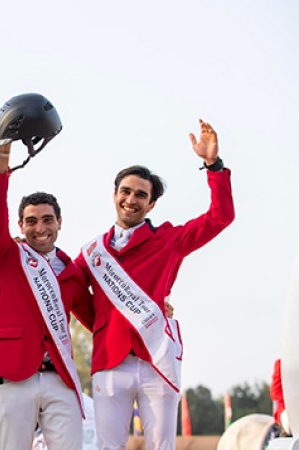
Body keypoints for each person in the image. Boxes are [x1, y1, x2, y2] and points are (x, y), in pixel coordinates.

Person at [75, 119, 235, 450]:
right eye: (126, 191)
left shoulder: (168, 240)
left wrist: (213, 165)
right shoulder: (93, 252)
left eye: (141, 195)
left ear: (151, 204)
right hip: (109, 362)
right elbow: (72, 293)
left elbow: (220, 217)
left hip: (157, 361)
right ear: (115, 195)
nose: (131, 200)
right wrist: (105, 324)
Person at [0, 141, 91, 450]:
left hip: (59, 377)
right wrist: (1, 163)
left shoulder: (73, 272)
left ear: (59, 222)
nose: (40, 228)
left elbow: (98, 318)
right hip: (12, 373)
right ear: (20, 225)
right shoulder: (6, 255)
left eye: (47, 219)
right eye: (31, 221)